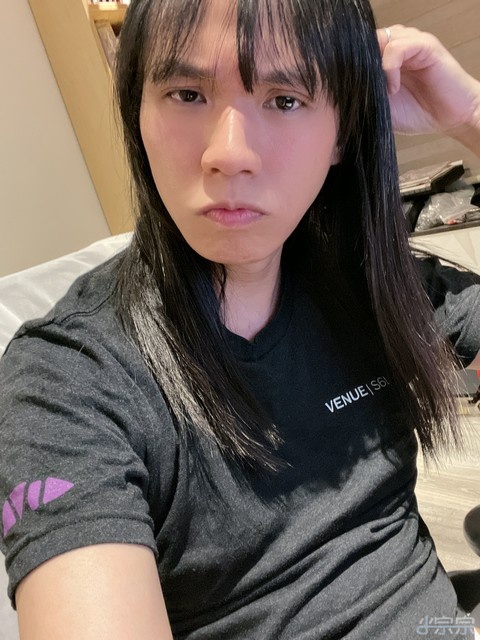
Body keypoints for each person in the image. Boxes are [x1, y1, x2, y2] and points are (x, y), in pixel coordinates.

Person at [1, 1, 480, 638]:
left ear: (342, 134)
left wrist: (470, 114)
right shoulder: (67, 382)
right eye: (187, 93)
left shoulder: (370, 285)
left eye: (285, 100)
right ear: (138, 112)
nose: (229, 154)